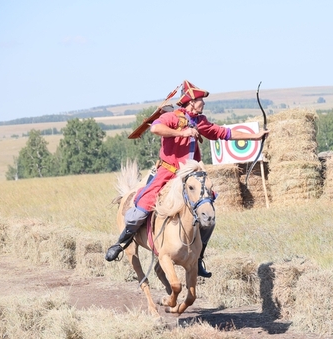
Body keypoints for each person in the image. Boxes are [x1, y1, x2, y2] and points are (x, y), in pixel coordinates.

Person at [105, 80, 269, 278]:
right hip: (168, 173)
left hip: (190, 178)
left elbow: (224, 133)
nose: (203, 104)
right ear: (190, 102)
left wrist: (255, 136)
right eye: (200, 100)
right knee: (140, 210)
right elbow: (156, 128)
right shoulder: (172, 117)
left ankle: (197, 259)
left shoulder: (200, 121)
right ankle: (121, 242)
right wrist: (181, 132)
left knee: (208, 219)